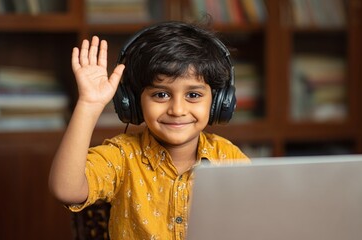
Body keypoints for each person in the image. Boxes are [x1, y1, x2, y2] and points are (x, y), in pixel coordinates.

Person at [48, 21, 249, 239]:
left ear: (219, 102)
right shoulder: (122, 156)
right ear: (133, 102)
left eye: (193, 95)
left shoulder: (227, 158)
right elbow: (65, 190)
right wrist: (89, 105)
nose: (177, 110)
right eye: (161, 94)